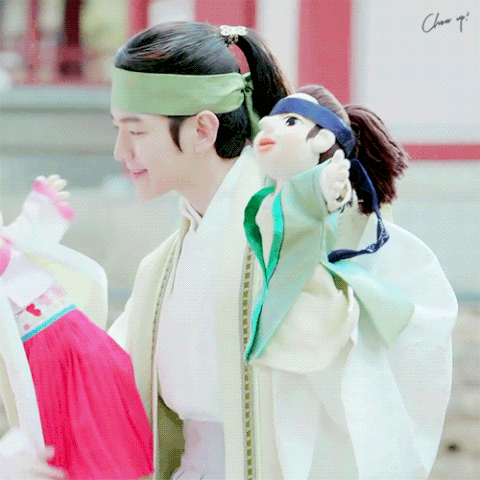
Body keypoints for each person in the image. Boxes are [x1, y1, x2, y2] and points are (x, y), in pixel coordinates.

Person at [109, 21, 457, 480]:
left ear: (202, 130)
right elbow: (109, 373)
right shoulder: (160, 266)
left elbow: (396, 344)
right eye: (118, 130)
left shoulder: (299, 229)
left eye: (135, 132)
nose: (120, 151)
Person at [241, 87, 458, 479]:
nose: (268, 129)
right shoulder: (265, 217)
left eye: (289, 122)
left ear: (323, 141)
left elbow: (415, 360)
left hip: (342, 447)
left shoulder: (391, 248)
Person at [0, 176, 153, 479]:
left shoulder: (13, 241)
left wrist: (41, 203)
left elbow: (25, 232)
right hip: (45, 352)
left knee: (99, 424)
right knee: (68, 438)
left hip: (72, 338)